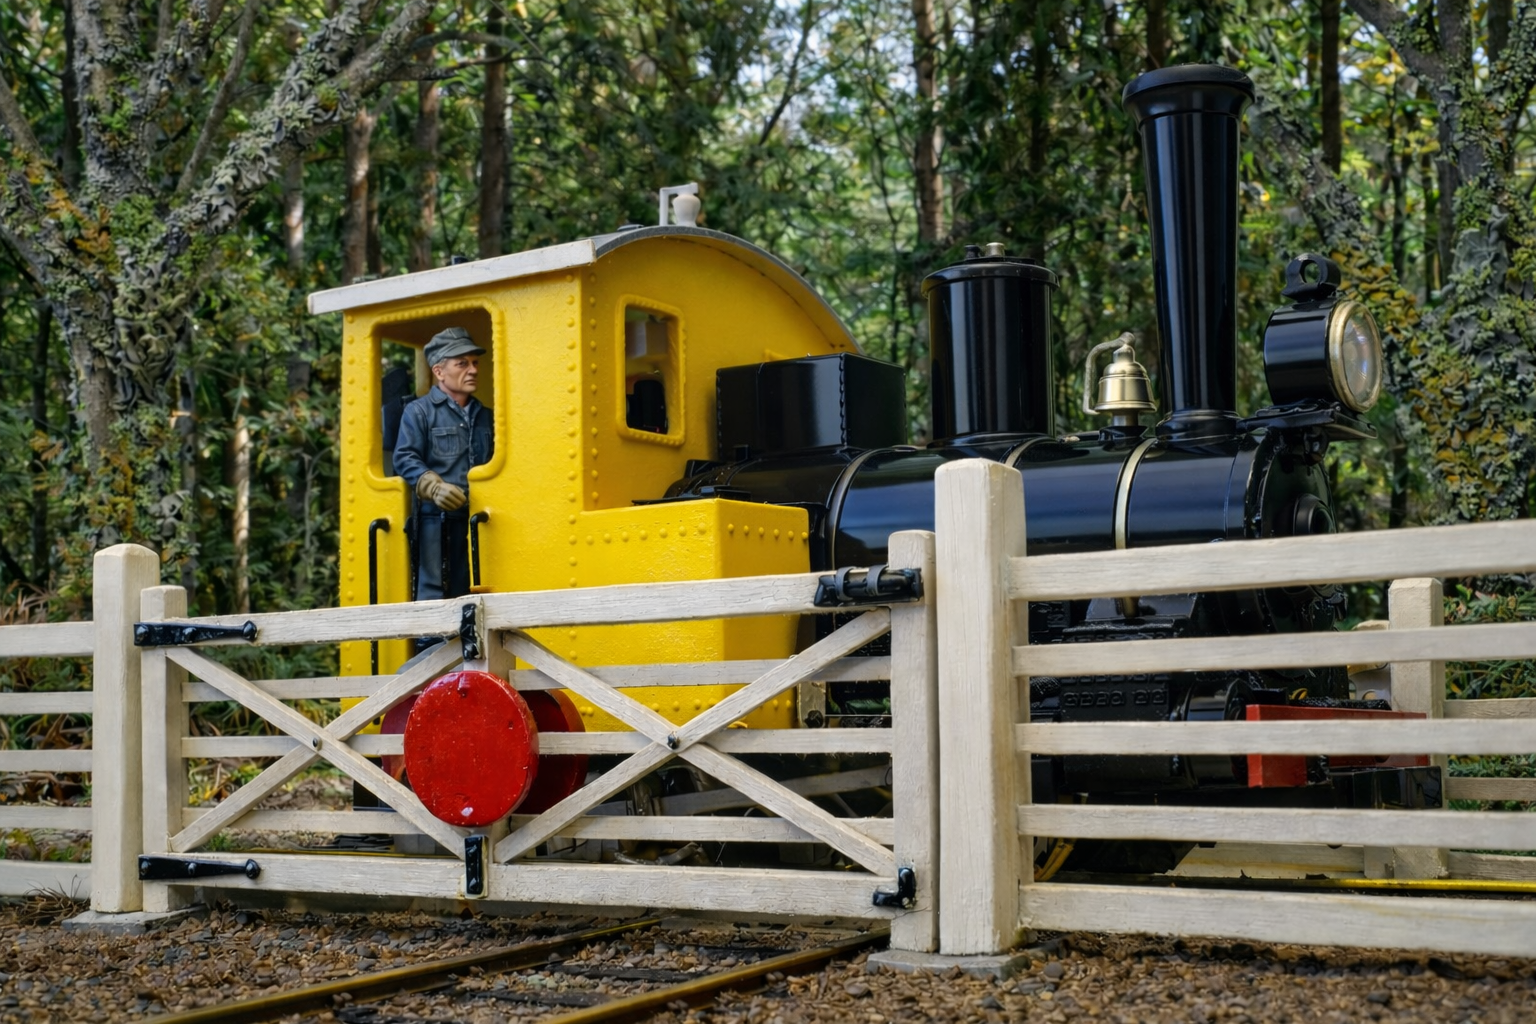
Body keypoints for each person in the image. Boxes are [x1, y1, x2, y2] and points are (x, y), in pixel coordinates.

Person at [392, 327, 495, 603]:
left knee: (474, 588)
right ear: (439, 372)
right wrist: (434, 487)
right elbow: (404, 457)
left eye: (475, 363)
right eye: (462, 364)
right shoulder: (420, 412)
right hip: (436, 519)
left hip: (480, 518)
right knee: (436, 591)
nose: (472, 370)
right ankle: (433, 644)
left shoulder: (487, 416)